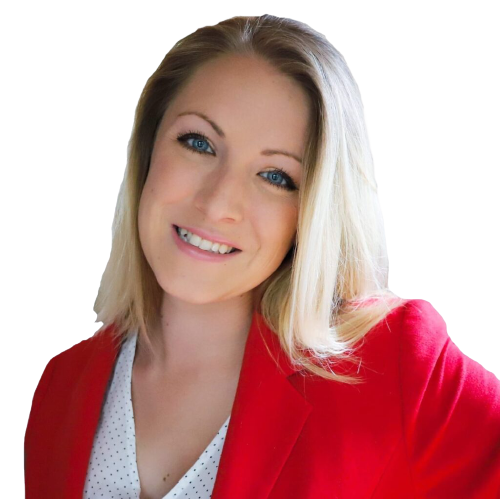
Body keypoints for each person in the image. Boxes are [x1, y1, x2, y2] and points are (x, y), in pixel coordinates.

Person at [24, 14, 499, 499]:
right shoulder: (61, 385)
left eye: (275, 176)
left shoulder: (396, 365)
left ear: (312, 212)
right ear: (147, 148)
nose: (217, 204)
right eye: (198, 143)